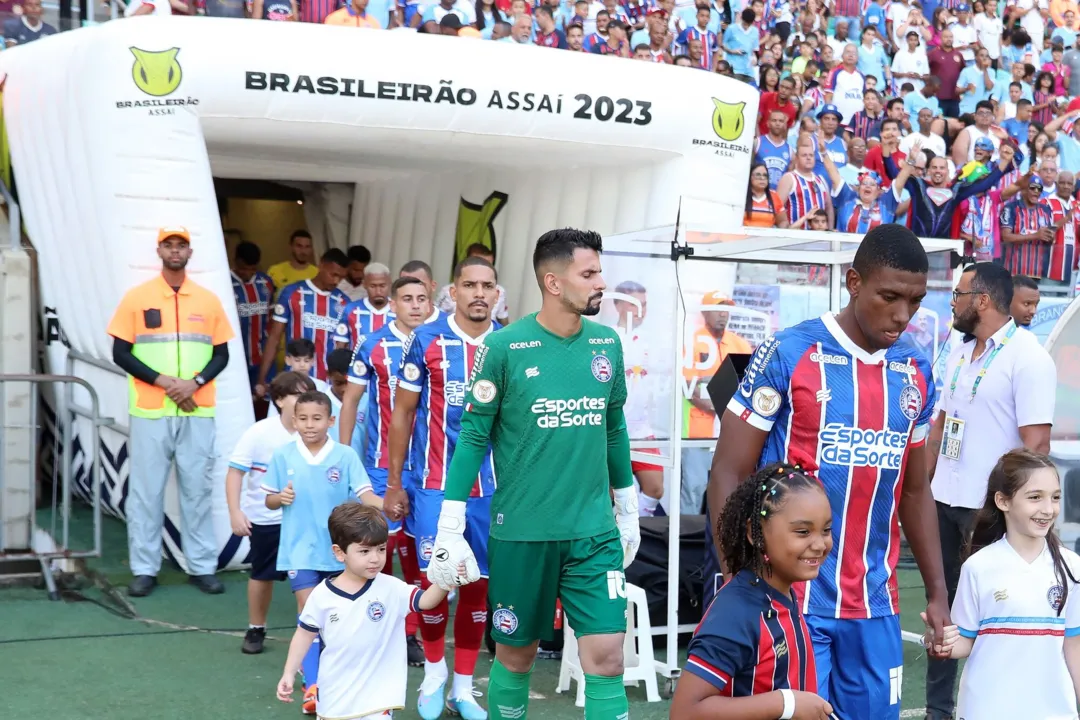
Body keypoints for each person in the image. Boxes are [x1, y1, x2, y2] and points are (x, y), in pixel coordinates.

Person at [705, 224, 951, 720]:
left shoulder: (916, 369)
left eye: (916, 300)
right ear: (854, 282)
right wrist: (737, 578)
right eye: (890, 297)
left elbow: (917, 489)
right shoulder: (790, 353)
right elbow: (727, 472)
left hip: (874, 602)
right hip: (791, 596)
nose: (903, 315)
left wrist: (939, 592)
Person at [426, 229, 642, 720]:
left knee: (607, 657)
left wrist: (626, 507)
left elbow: (614, 429)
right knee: (516, 656)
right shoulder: (504, 348)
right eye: (589, 273)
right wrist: (450, 522)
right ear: (553, 281)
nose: (601, 282)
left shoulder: (606, 344)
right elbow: (473, 438)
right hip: (522, 533)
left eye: (599, 271)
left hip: (593, 534)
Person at [922, 263, 1056, 720]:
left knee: (992, 616)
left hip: (988, 511)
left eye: (958, 294)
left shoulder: (1029, 356)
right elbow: (940, 428)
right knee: (942, 609)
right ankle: (939, 711)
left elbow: (1035, 445)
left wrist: (1013, 511)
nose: (952, 302)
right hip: (944, 499)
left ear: (981, 299)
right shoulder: (959, 351)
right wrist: (920, 488)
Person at [387, 257, 501, 720]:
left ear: (497, 293)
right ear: (452, 291)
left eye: (487, 286)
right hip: (435, 486)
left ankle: (464, 687)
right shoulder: (426, 340)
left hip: (495, 491)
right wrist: (394, 482)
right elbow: (403, 414)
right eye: (469, 284)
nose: (478, 293)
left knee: (479, 588)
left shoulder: (512, 343)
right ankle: (434, 676)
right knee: (437, 583)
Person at [107, 227, 233, 598]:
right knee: (146, 492)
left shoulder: (208, 301)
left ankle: (202, 567)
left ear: (189, 252)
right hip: (151, 410)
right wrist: (166, 382)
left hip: (197, 408)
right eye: (169, 245)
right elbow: (120, 353)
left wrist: (193, 382)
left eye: (181, 245)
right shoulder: (137, 297)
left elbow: (222, 354)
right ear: (159, 250)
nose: (175, 251)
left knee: (197, 489)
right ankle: (144, 569)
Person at [671, 463, 835, 719]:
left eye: (826, 530)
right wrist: (786, 703)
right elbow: (684, 712)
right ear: (754, 533)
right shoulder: (735, 613)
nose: (820, 544)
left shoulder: (784, 593)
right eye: (803, 532)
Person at [930, 450, 1080, 720]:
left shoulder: (1072, 567)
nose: (1048, 509)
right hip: (986, 709)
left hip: (1053, 712)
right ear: (1003, 501)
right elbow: (966, 641)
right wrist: (941, 642)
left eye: (1055, 497)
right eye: (1035, 497)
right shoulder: (978, 567)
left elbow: (1074, 645)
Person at [275, 503, 458, 719]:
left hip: (378, 699)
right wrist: (288, 672)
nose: (375, 558)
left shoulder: (392, 587)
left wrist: (448, 579)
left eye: (381, 549)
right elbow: (304, 635)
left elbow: (427, 601)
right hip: (335, 697)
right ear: (339, 553)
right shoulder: (322, 595)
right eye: (364, 551)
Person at [262, 391, 382, 715]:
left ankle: (337, 680)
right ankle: (313, 686)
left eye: (317, 419)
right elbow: (269, 499)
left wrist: (388, 508)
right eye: (302, 419)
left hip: (338, 552)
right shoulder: (283, 455)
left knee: (337, 619)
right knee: (310, 613)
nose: (309, 425)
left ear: (330, 421)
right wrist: (279, 498)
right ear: (293, 420)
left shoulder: (344, 456)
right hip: (298, 551)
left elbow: (364, 493)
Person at [339, 276, 434, 665]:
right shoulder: (373, 344)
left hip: (429, 466)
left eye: (421, 298)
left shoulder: (439, 341)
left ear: (431, 303)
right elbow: (350, 402)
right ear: (392, 304)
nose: (414, 305)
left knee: (419, 550)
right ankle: (376, 624)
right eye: (406, 299)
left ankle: (411, 630)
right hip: (382, 465)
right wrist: (345, 455)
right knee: (382, 547)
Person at [225, 371, 316, 655]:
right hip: (267, 519)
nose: (305, 402)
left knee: (312, 578)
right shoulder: (259, 433)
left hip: (308, 521)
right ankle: (256, 628)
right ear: (278, 400)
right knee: (262, 574)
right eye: (297, 395)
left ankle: (315, 632)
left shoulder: (317, 432)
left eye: (309, 395)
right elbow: (234, 473)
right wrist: (235, 512)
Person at [256, 248, 350, 394]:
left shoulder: (344, 302)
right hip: (293, 381)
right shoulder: (291, 293)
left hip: (326, 385)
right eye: (333, 274)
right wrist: (262, 378)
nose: (336, 281)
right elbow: (274, 338)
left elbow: (342, 347)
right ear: (321, 265)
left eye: (341, 277)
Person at [231, 241, 275, 397]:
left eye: (253, 269)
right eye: (243, 269)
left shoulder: (266, 283)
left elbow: (271, 321)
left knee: (266, 402)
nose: (248, 273)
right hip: (234, 359)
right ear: (235, 261)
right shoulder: (225, 283)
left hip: (262, 358)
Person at [335, 262, 395, 351]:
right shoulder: (350, 310)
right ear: (364, 284)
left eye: (382, 286)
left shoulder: (400, 310)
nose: (378, 291)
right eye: (373, 286)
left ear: (390, 284)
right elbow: (340, 348)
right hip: (358, 365)